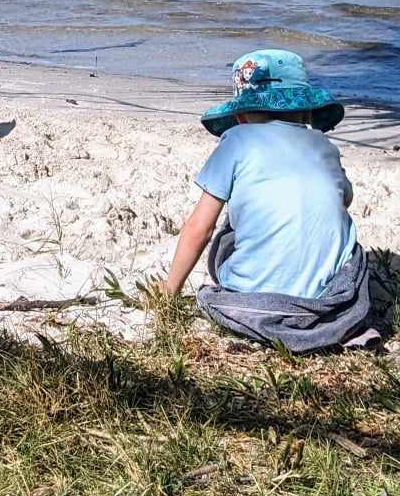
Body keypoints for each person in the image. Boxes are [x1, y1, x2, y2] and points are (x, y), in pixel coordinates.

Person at [150, 50, 381, 351]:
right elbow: (344, 200)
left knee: (227, 231)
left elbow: (199, 228)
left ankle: (258, 297)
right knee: (354, 253)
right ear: (307, 112)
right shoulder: (324, 145)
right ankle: (329, 323)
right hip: (329, 302)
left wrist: (169, 291)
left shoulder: (236, 141)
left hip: (254, 300)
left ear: (241, 115)